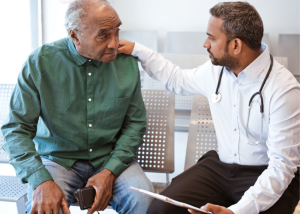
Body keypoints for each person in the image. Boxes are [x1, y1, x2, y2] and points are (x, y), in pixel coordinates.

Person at [118, 2, 300, 214]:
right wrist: (137, 50)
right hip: (220, 169)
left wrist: (236, 211)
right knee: (161, 210)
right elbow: (176, 79)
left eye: (212, 38)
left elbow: (282, 167)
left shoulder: (284, 90)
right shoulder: (216, 71)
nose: (205, 44)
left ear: (236, 46)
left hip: (267, 174)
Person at [1, 0, 154, 214]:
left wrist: (111, 170)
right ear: (75, 36)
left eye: (117, 31)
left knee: (146, 203)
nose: (114, 43)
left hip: (109, 157)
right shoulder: (40, 63)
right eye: (103, 35)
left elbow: (135, 124)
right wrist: (40, 180)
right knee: (45, 209)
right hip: (57, 159)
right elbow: (15, 129)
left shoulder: (127, 63)